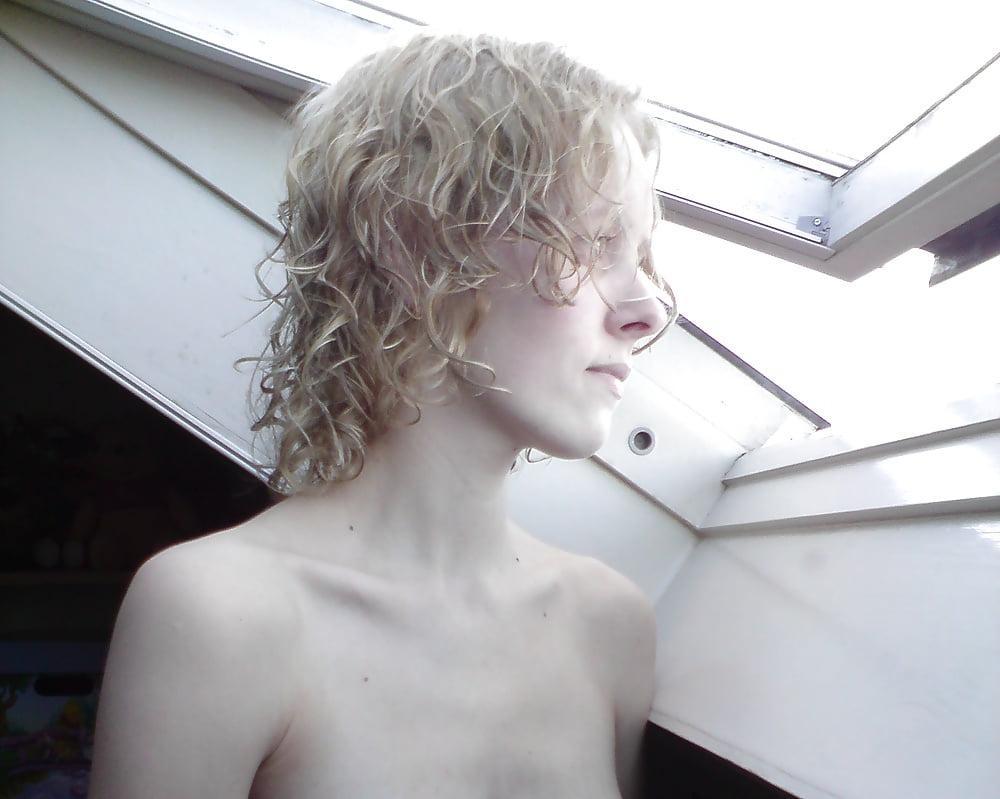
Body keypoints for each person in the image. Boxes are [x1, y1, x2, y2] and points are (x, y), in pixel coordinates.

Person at [88, 27, 677, 799]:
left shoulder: (611, 626)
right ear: (414, 243)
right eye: (596, 242)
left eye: (641, 256)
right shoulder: (218, 616)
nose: (648, 310)